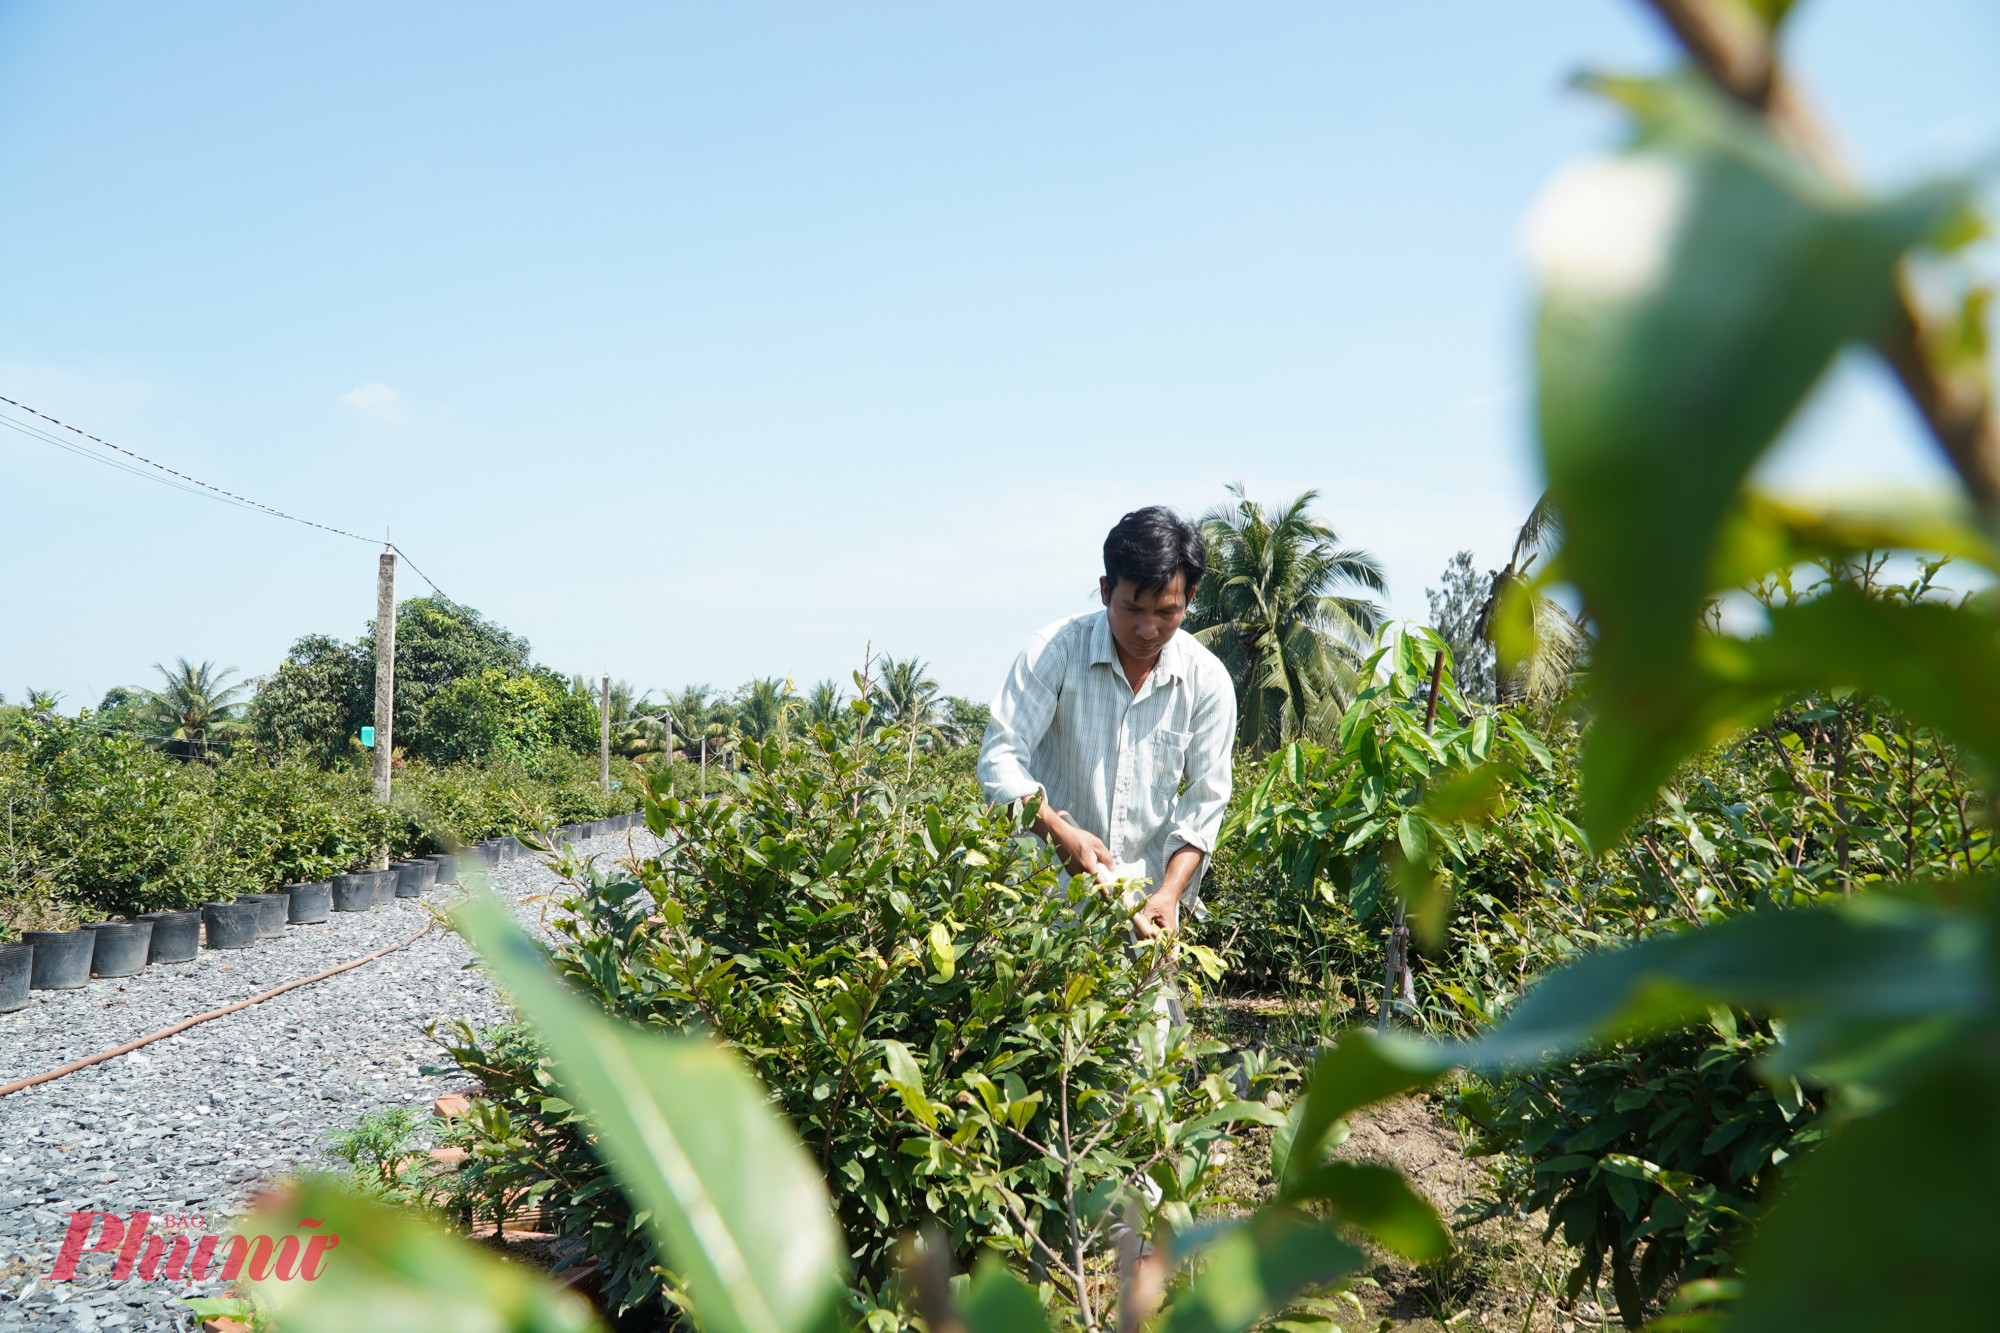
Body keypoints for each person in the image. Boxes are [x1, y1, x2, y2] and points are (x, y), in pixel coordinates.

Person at [978, 506, 1237, 949]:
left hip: (1144, 911)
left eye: (1167, 611)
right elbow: (999, 762)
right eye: (1132, 608)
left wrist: (1170, 893)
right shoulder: (1054, 653)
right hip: (1043, 905)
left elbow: (1204, 804)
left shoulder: (1207, 682)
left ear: (1190, 599)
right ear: (1104, 591)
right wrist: (1060, 833)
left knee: (1152, 1017)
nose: (1148, 628)